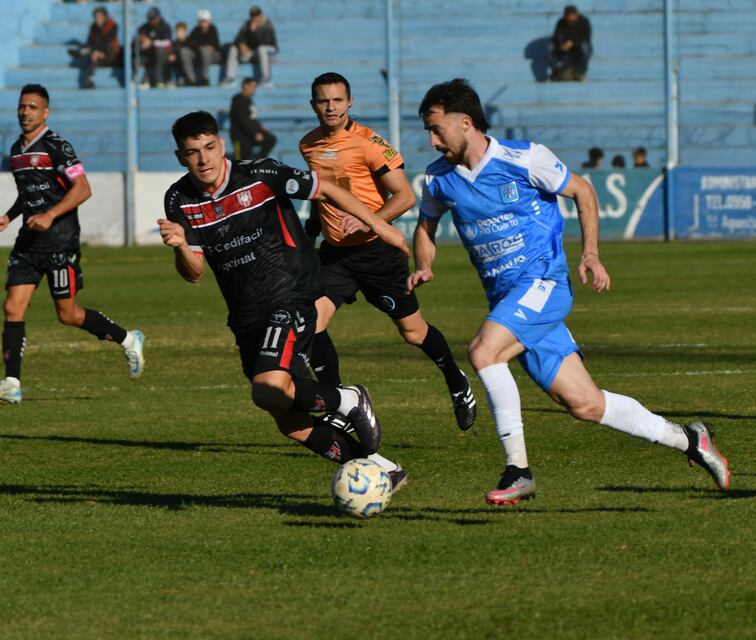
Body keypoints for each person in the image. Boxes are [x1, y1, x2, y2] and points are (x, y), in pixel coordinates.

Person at [409, 79, 730, 504]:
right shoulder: (438, 179)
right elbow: (426, 226)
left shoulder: (523, 158)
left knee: (484, 352)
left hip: (544, 284)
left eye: (436, 129)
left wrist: (590, 255)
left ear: (465, 122)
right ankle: (691, 441)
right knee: (586, 404)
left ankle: (517, 470)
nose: (431, 141)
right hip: (509, 302)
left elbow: (582, 190)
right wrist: (425, 264)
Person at [158, 110, 411, 481]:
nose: (204, 158)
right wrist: (180, 245)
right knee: (287, 417)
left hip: (289, 294)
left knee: (269, 386)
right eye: (193, 152)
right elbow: (194, 274)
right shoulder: (177, 200)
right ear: (181, 156)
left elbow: (325, 188)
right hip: (245, 315)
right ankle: (382, 471)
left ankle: (349, 400)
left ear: (222, 145)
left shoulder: (260, 174)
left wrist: (380, 225)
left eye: (210, 147)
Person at [299, 72, 477, 438]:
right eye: (322, 100)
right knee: (312, 323)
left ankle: (456, 379)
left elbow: (405, 197)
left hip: (377, 254)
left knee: (413, 333)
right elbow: (325, 195)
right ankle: (339, 403)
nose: (330, 107)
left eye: (337, 100)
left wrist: (370, 223)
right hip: (335, 255)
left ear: (350, 103)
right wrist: (312, 229)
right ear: (313, 104)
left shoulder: (370, 143)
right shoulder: (308, 145)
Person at [0, 84, 144, 404]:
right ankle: (11, 382)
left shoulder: (58, 147)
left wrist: (51, 215)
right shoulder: (15, 151)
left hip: (60, 242)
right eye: (22, 106)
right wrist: (9, 217)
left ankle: (127, 339)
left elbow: (83, 188)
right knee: (12, 307)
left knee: (68, 314)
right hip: (28, 242)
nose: (26, 112)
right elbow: (28, 193)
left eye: (33, 107)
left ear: (45, 112)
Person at [222, 6, 277, 86]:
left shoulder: (267, 24)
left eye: (256, 15)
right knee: (233, 48)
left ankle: (266, 78)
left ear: (260, 15)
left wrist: (254, 31)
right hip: (253, 53)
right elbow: (237, 38)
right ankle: (230, 78)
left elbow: (265, 42)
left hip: (270, 52)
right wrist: (241, 45)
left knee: (261, 49)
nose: (255, 18)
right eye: (252, 16)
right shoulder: (247, 24)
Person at [229, 78, 276, 160]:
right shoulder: (238, 100)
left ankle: (258, 162)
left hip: (248, 135)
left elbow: (251, 118)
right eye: (252, 86)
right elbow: (244, 119)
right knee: (240, 161)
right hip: (239, 137)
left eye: (255, 87)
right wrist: (255, 132)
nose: (254, 89)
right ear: (245, 86)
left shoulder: (249, 100)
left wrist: (260, 127)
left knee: (270, 139)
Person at [75, 6, 121, 89]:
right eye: (96, 17)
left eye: (100, 17)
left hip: (112, 57)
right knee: (92, 55)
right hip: (97, 56)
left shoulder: (113, 25)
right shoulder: (93, 27)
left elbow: (106, 40)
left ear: (105, 16)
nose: (97, 19)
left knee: (97, 49)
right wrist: (94, 51)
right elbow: (90, 42)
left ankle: (83, 52)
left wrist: (95, 50)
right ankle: (90, 80)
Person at [178, 9, 222, 87]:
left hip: (213, 55)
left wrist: (200, 47)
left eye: (204, 21)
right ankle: (191, 79)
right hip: (199, 54)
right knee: (184, 51)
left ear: (209, 21)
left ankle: (205, 78)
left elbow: (214, 46)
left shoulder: (213, 29)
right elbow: (190, 43)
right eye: (201, 21)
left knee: (205, 50)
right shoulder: (195, 30)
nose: (203, 23)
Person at [549, 5, 592, 81]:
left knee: (584, 46)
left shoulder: (584, 21)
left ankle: (581, 73)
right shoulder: (561, 22)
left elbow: (586, 38)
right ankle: (555, 73)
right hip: (566, 50)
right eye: (568, 20)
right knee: (551, 46)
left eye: (572, 21)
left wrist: (573, 43)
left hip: (579, 50)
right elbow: (556, 37)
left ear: (577, 15)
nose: (570, 22)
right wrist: (561, 45)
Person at [136, 7, 173, 88]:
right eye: (149, 19)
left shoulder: (165, 27)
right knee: (136, 53)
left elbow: (168, 43)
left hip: (162, 55)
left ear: (158, 17)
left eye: (152, 19)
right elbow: (138, 35)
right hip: (149, 54)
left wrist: (152, 43)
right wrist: (142, 39)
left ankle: (160, 80)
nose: (151, 21)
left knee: (160, 51)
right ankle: (137, 79)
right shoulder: (145, 27)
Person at [169, 22, 190, 86]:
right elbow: (173, 51)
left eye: (181, 31)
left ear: (185, 31)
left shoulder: (189, 41)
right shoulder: (175, 42)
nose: (179, 33)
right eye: (178, 31)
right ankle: (171, 79)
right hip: (177, 62)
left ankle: (186, 78)